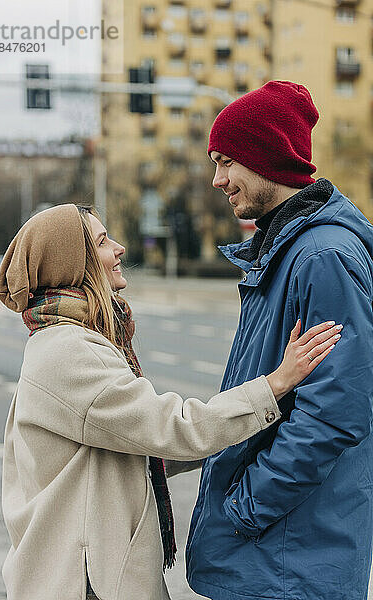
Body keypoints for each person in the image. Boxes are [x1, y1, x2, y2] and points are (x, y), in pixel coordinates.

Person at [0, 204, 339, 600]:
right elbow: (171, 429)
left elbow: (140, 450)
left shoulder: (69, 340)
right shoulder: (68, 351)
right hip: (88, 584)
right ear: (76, 263)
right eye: (103, 241)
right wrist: (274, 386)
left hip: (86, 576)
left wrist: (245, 431)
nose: (119, 248)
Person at [184, 80, 373, 600]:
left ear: (266, 156)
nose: (218, 179)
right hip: (277, 556)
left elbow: (336, 411)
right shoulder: (285, 251)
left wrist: (247, 505)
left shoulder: (321, 256)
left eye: (227, 161)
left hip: (291, 559)